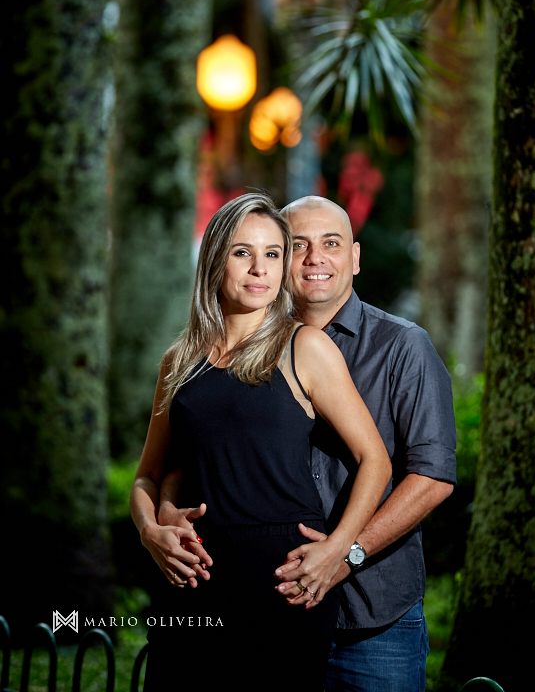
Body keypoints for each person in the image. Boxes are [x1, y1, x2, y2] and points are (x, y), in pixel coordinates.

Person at [130, 193, 391, 692]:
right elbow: (148, 473)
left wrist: (339, 548)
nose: (260, 269)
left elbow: (373, 460)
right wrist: (150, 531)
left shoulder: (305, 347)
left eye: (273, 253)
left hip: (283, 584)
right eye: (242, 252)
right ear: (214, 260)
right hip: (192, 579)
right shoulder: (178, 360)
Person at [272, 196, 457, 692]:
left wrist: (346, 553)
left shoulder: (403, 346)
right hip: (275, 616)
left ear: (354, 257)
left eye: (331, 244)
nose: (315, 258)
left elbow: (433, 476)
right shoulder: (253, 351)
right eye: (297, 246)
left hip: (376, 624)